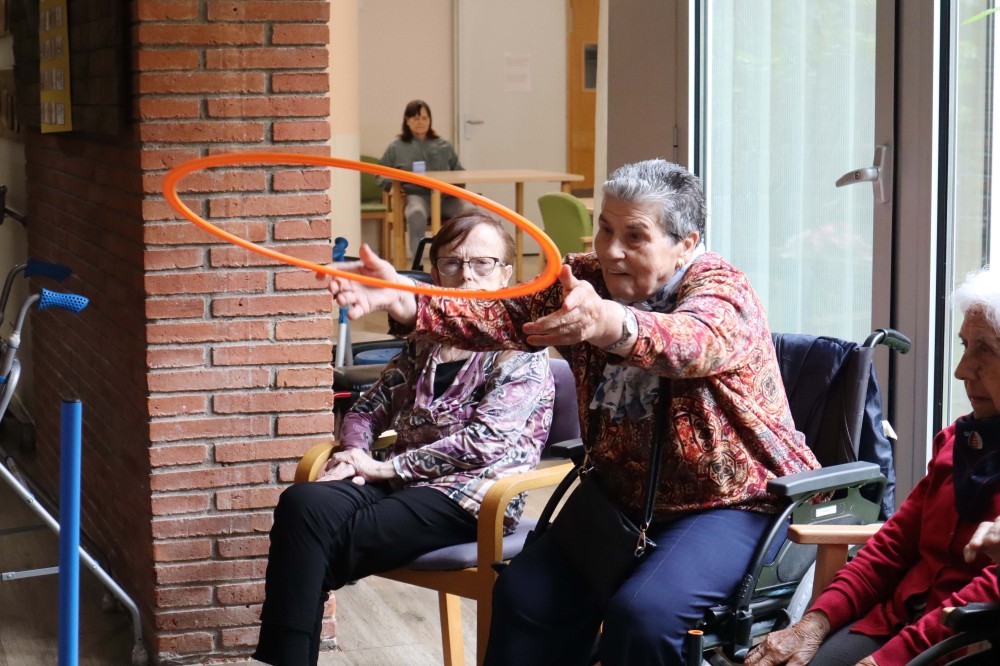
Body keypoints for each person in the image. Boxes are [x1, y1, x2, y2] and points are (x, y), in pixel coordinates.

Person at [327, 158, 821, 666]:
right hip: (621, 500)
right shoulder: (581, 277)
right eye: (605, 228)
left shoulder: (722, 291)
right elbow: (504, 313)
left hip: (733, 502)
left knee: (644, 615)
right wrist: (410, 304)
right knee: (525, 595)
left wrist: (609, 323)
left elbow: (693, 343)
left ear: (686, 244)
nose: (610, 250)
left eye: (635, 236)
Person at [253, 213, 555, 666]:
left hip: (473, 497)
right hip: (400, 483)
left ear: (506, 274)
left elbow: (484, 443)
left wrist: (386, 467)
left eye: (483, 263)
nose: (466, 275)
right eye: (451, 262)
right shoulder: (427, 340)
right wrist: (354, 452)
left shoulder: (519, 354)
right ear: (434, 273)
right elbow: (368, 406)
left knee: (313, 541)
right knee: (303, 504)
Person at [745, 265, 1000, 666]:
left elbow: (987, 593)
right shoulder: (958, 442)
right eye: (964, 346)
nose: (961, 370)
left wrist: (889, 660)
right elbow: (892, 545)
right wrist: (814, 622)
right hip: (892, 620)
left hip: (958, 643)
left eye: (984, 350)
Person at [377, 99, 472, 257]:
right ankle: (417, 263)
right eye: (415, 118)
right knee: (416, 213)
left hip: (446, 197)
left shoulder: (443, 145)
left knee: (471, 212)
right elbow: (380, 173)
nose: (420, 122)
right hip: (417, 196)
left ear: (430, 120)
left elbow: (459, 172)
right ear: (407, 121)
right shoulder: (396, 147)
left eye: (424, 118)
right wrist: (391, 186)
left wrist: (455, 187)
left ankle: (465, 258)